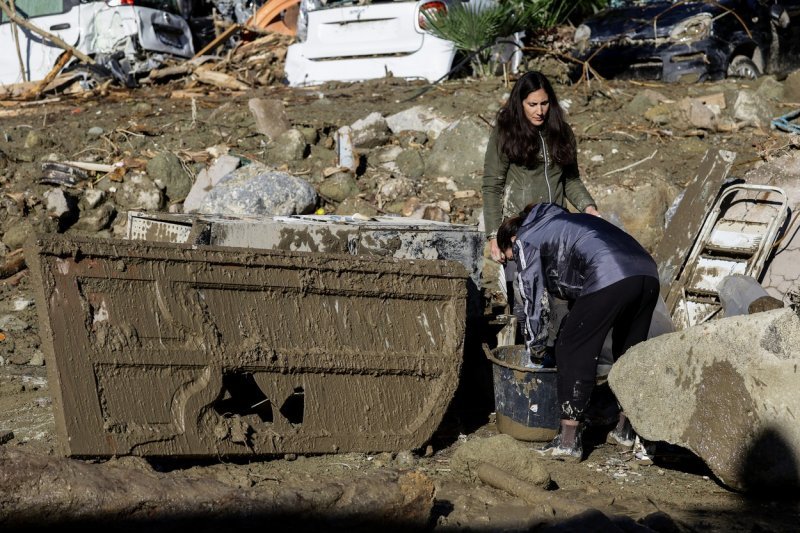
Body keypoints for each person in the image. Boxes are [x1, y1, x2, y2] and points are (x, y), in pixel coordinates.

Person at [496, 202, 660, 462]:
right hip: (647, 271)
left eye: (510, 257)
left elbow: (531, 299)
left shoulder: (525, 239)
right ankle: (626, 431)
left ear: (512, 240)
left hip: (609, 270)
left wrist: (536, 347)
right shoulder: (565, 225)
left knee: (572, 348)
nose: (514, 262)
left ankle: (568, 440)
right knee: (630, 353)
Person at [482, 71, 599, 334]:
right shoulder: (505, 132)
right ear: (519, 103)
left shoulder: (562, 132)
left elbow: (571, 180)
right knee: (525, 304)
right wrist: (493, 236)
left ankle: (560, 356)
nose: (539, 111)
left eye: (544, 103)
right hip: (519, 231)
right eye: (532, 104)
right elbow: (492, 186)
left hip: (558, 228)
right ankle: (526, 358)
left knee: (563, 300)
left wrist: (588, 207)